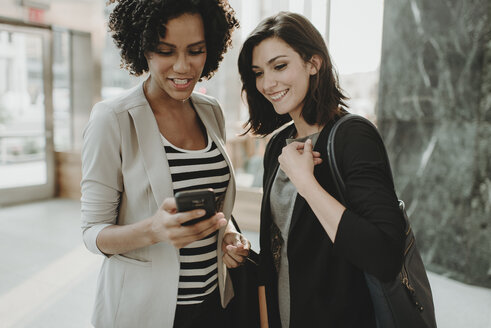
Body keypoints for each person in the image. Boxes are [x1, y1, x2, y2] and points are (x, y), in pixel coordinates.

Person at [81, 1, 249, 327]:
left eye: (195, 50)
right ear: (143, 48)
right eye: (166, 51)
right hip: (145, 312)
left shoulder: (211, 110)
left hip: (214, 302)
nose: (183, 66)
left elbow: (212, 206)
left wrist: (227, 233)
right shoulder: (112, 118)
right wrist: (153, 230)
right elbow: (92, 233)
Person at [238, 12, 406, 327]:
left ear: (313, 63)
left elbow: (384, 255)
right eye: (258, 72)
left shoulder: (353, 136)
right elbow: (277, 247)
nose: (267, 83)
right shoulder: (277, 145)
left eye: (280, 66)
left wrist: (306, 182)